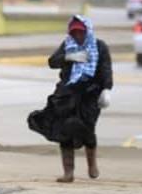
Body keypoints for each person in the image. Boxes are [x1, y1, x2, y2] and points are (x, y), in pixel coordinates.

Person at [27, 15, 113, 183]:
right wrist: (68, 57)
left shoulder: (99, 47)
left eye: (80, 32)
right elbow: (52, 62)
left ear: (87, 31)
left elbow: (106, 69)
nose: (77, 36)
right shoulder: (68, 45)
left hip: (90, 94)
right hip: (66, 94)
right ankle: (68, 173)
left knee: (87, 128)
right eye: (74, 33)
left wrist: (106, 89)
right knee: (63, 130)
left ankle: (91, 163)